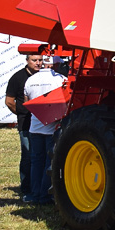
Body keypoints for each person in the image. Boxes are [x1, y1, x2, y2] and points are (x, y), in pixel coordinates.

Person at [23, 56, 66, 205]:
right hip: (51, 129)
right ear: (56, 65)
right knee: (50, 163)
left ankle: (35, 194)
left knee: (36, 162)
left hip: (34, 127)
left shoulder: (30, 80)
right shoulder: (61, 80)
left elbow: (26, 102)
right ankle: (45, 195)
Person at [5, 46, 46, 199]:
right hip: (26, 124)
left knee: (41, 155)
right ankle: (26, 188)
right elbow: (9, 101)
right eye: (34, 60)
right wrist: (23, 113)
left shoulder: (44, 77)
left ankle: (41, 187)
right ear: (27, 60)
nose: (38, 63)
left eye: (40, 60)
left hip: (43, 124)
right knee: (28, 155)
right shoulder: (18, 78)